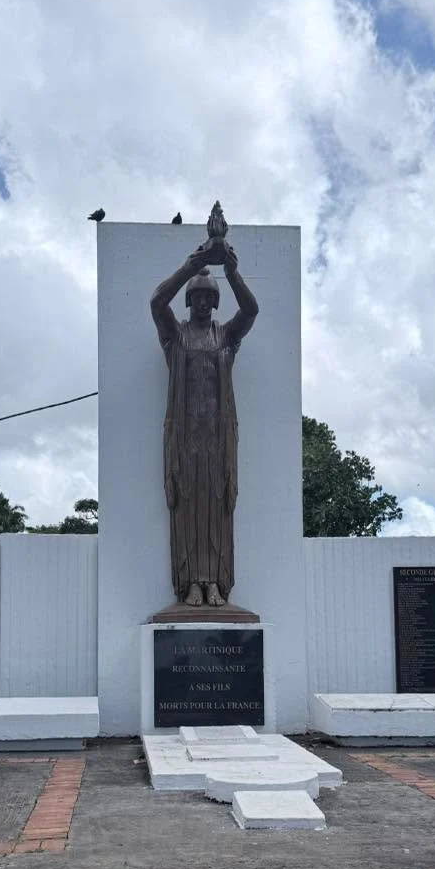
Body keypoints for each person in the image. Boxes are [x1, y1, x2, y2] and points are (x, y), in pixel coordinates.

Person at [149, 240, 259, 606]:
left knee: (217, 509)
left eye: (207, 299)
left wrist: (230, 270)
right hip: (183, 438)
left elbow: (251, 310)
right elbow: (156, 302)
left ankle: (215, 582)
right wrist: (192, 263)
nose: (200, 303)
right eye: (195, 297)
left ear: (214, 303)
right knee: (186, 509)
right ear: (189, 301)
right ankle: (192, 582)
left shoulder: (225, 337)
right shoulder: (175, 337)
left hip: (218, 438)